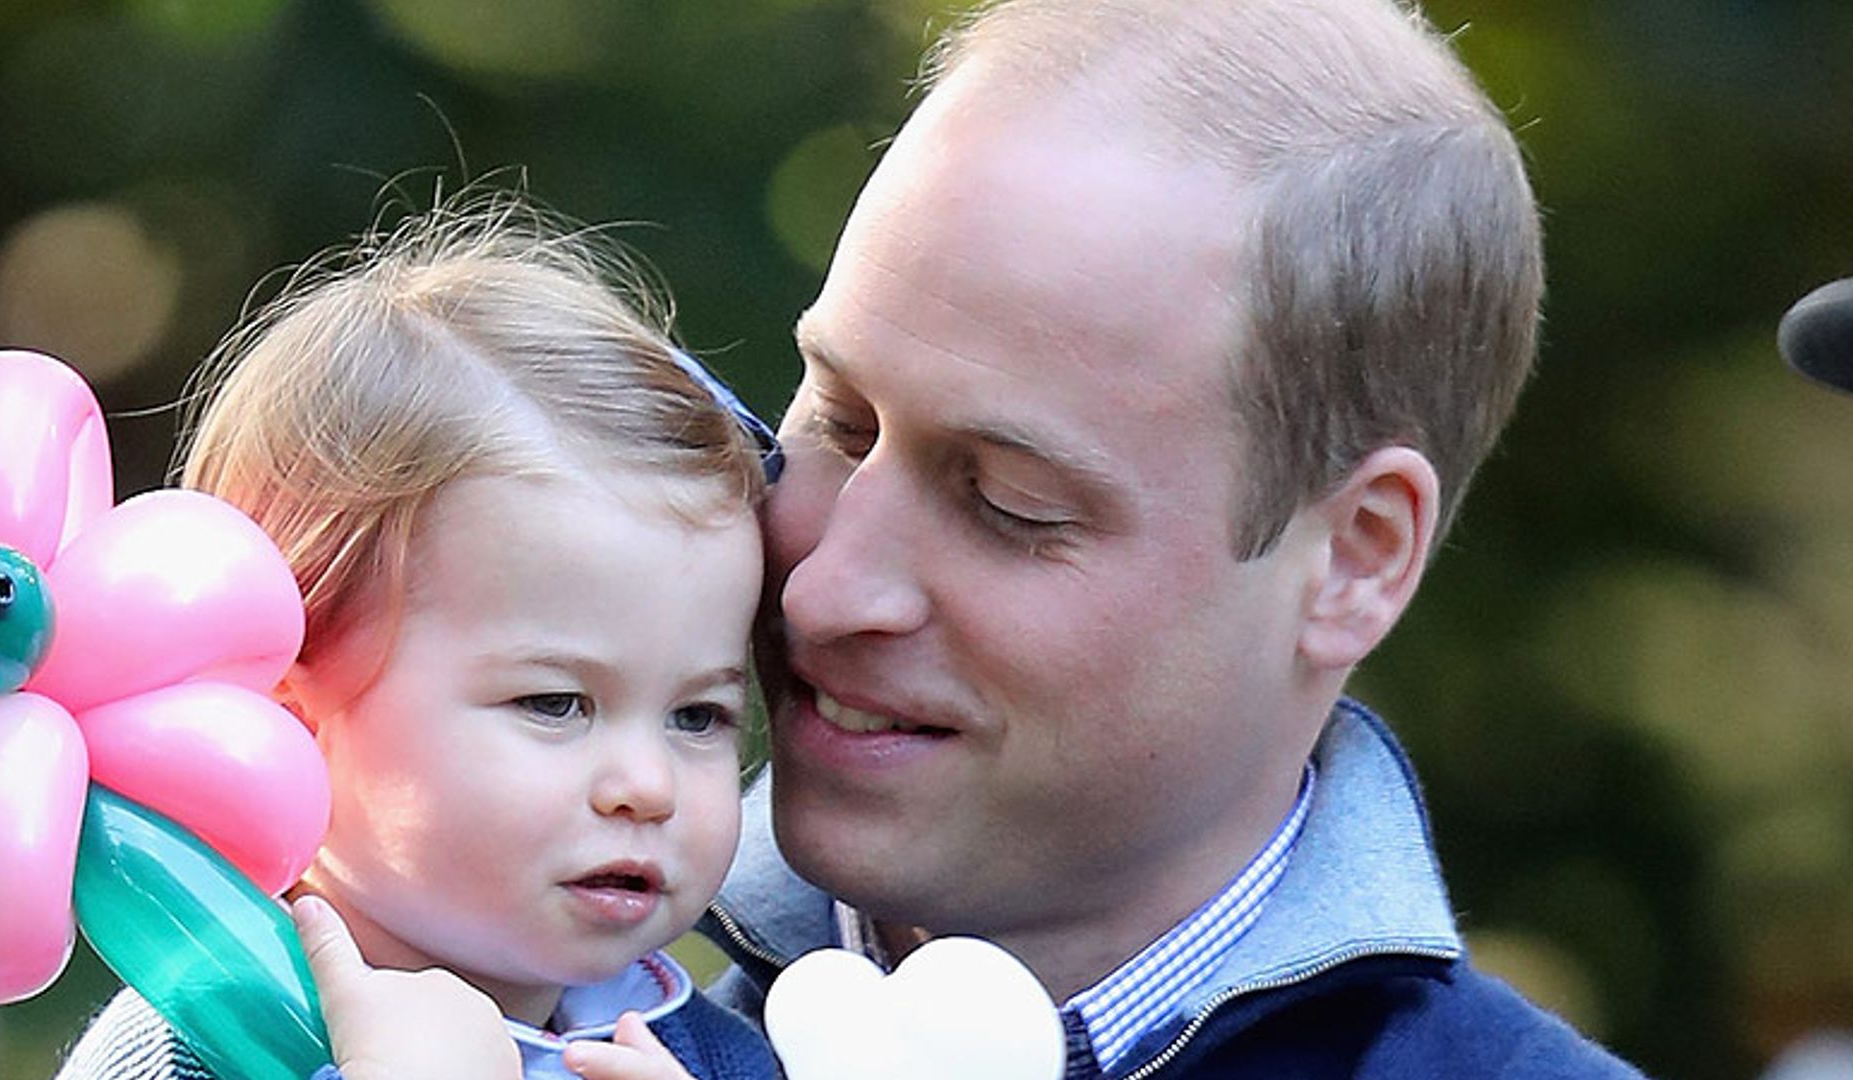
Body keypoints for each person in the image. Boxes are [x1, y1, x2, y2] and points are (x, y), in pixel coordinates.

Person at [307, 0, 1654, 1076]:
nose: (828, 586)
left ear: (1355, 555)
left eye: (1010, 501)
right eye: (835, 415)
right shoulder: (480, 975)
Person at [53, 196, 780, 1080]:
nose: (648, 786)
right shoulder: (190, 1052)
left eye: (699, 716)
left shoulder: (717, 1056)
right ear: (289, 713)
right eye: (555, 702)